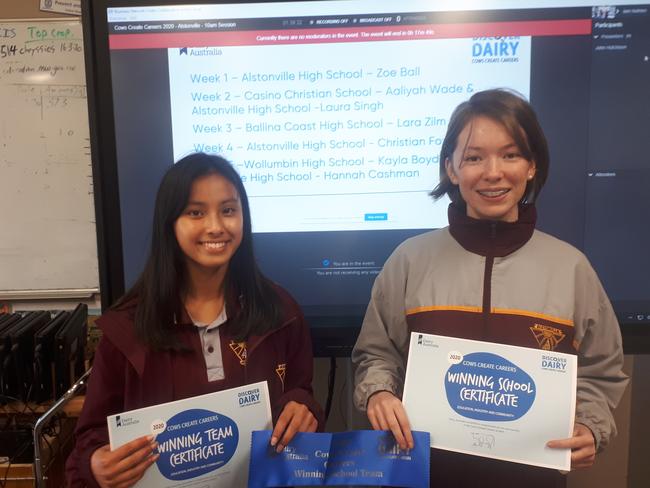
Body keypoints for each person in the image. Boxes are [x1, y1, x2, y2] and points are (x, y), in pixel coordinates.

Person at [351, 89, 628, 487]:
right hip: (423, 473)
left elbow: (601, 372)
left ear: (532, 166)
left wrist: (591, 424)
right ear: (451, 169)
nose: (493, 172)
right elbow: (375, 354)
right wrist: (379, 394)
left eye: (511, 154)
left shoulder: (572, 268)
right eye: (474, 157)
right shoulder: (409, 260)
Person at [66, 153, 323, 488]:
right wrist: (95, 465)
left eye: (228, 210)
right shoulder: (127, 329)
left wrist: (304, 408)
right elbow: (91, 437)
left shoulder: (281, 312)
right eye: (196, 212)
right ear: (170, 223)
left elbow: (300, 390)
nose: (216, 226)